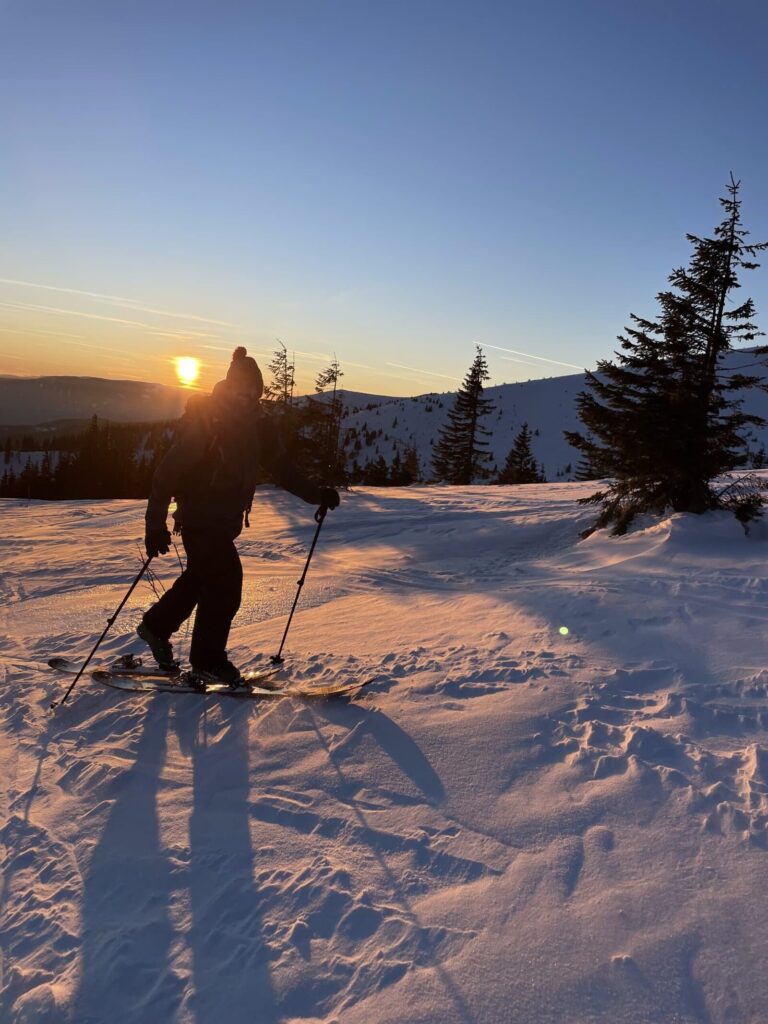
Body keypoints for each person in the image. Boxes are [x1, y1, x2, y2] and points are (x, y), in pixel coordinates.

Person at [137, 346, 339, 686]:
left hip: (224, 522)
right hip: (200, 519)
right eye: (240, 387)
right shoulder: (210, 420)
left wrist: (316, 495)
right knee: (226, 583)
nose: (247, 395)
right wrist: (154, 524)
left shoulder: (259, 425)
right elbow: (167, 473)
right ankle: (206, 661)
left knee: (200, 579)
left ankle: (156, 627)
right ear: (229, 386)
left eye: (253, 389)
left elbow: (281, 469)